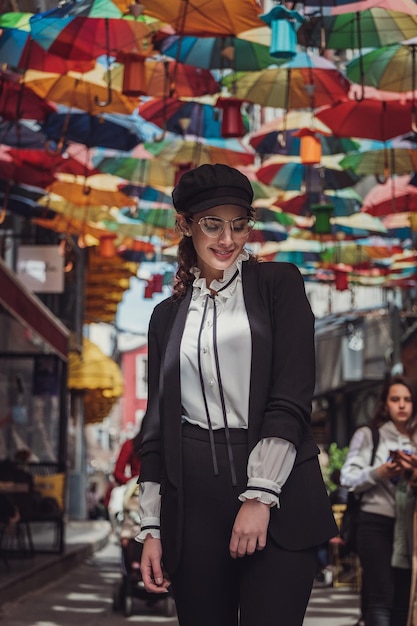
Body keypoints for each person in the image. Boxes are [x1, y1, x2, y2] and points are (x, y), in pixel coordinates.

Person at [136, 163, 338, 626]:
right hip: (191, 507)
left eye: (239, 223)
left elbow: (290, 398)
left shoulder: (279, 284)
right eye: (212, 223)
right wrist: (151, 527)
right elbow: (156, 428)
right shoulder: (165, 318)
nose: (228, 238)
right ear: (185, 225)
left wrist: (258, 497)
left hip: (279, 493)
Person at [341, 374, 417, 626]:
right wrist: (380, 472)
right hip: (375, 522)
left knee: (404, 600)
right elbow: (348, 478)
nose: (402, 405)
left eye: (407, 399)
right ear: (385, 403)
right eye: (395, 399)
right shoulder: (369, 435)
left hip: (410, 527)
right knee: (380, 598)